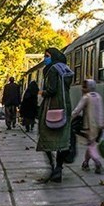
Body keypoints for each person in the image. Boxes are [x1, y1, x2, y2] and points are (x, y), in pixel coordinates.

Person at [36, 48, 74, 183]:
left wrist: (42, 93)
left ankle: (53, 168)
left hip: (51, 106)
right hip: (65, 106)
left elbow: (51, 90)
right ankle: (59, 168)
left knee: (45, 136)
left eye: (47, 56)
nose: (45, 59)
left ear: (53, 57)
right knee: (63, 140)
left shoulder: (52, 70)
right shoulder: (65, 70)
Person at [72, 79, 104, 174]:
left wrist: (68, 119)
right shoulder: (98, 96)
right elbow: (101, 111)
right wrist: (102, 124)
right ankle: (85, 163)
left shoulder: (86, 97)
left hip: (89, 126)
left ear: (88, 88)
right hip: (98, 126)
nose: (82, 88)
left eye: (84, 87)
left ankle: (97, 162)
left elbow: (77, 111)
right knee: (92, 144)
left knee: (91, 145)